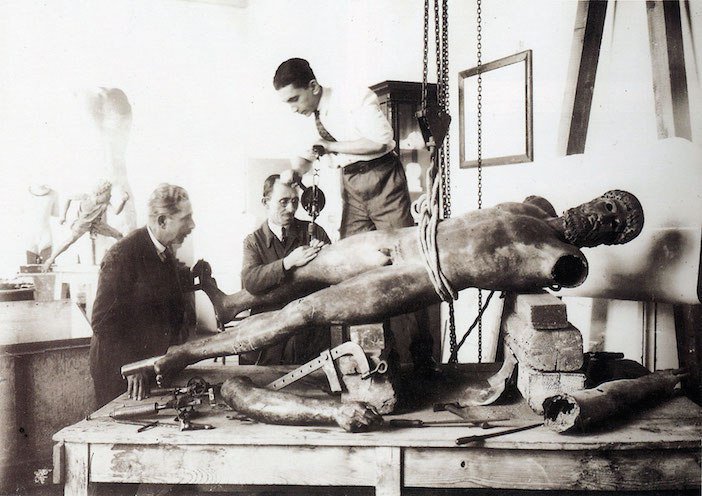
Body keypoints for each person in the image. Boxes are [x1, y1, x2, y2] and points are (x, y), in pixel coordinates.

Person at [125, 191, 642, 408]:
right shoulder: (532, 207)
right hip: (393, 243)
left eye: (607, 223)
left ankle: (185, 354)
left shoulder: (560, 257)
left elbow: (536, 275)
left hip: (415, 277)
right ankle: (234, 303)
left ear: (604, 237)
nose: (595, 217)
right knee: (306, 270)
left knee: (302, 311)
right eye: (602, 207)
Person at [273, 57, 436, 372]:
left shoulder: (353, 97)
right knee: (353, 267)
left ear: (313, 87)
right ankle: (373, 358)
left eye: (294, 99)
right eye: (287, 103)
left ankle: (421, 359)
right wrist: (292, 173)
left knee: (406, 265)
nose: (293, 107)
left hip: (383, 178)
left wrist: (330, 147)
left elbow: (382, 140)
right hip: (352, 186)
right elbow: (308, 154)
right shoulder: (309, 115)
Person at [89, 183, 195, 408]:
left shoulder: (164, 253)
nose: (192, 225)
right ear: (162, 221)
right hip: (120, 372)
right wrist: (131, 366)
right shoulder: (122, 256)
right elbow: (102, 321)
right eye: (186, 219)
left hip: (148, 366)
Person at [239, 174, 332, 365]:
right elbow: (251, 281)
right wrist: (287, 263)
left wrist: (325, 256)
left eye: (295, 201)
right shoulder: (253, 241)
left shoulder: (315, 231)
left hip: (309, 337)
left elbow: (334, 279)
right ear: (265, 202)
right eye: (283, 202)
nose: (291, 209)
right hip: (269, 336)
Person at [41, 179, 129, 271]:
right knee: (69, 241)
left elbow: (116, 212)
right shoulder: (86, 197)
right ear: (100, 193)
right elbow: (68, 198)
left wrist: (123, 201)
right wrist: (63, 216)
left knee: (119, 236)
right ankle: (50, 260)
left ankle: (122, 260)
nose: (110, 196)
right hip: (83, 224)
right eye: (108, 194)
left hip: (96, 224)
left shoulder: (105, 203)